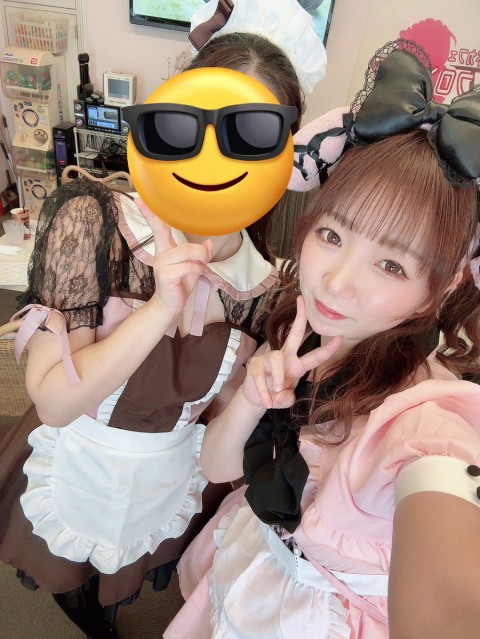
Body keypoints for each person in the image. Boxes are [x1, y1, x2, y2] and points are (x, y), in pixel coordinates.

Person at [0, 1, 327, 637]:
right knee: (68, 572)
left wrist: (260, 396)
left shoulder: (268, 285)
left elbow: (221, 440)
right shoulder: (94, 218)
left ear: (284, 152)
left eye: (252, 134)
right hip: (72, 458)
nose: (215, 157)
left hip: (166, 478)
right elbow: (56, 401)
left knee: (125, 579)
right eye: (192, 126)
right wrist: (159, 309)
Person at [164, 41, 480, 638]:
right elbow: (217, 466)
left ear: (438, 291)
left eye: (391, 265)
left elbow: (450, 600)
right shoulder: (296, 338)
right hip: (249, 571)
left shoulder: (424, 420)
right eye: (332, 235)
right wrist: (254, 397)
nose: (336, 282)